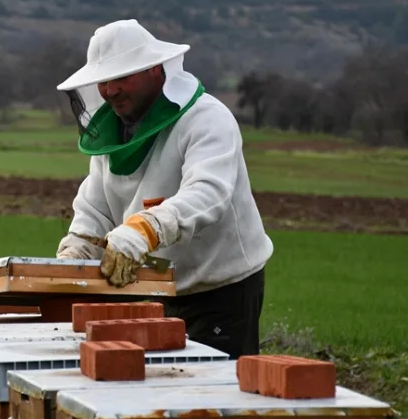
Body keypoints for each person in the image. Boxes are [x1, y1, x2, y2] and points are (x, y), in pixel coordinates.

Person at [54, 19, 273, 359]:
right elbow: (95, 208)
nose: (110, 90)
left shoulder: (207, 119)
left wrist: (146, 227)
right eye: (103, 81)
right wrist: (77, 250)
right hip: (159, 288)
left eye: (121, 77)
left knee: (212, 398)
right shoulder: (113, 132)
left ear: (155, 70)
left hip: (221, 289)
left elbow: (207, 193)